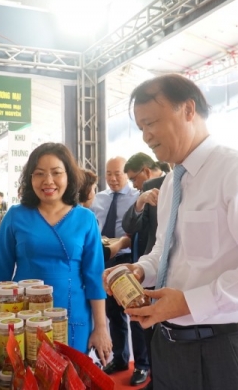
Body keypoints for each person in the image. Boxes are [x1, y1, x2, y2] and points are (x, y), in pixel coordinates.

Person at [104, 74, 238, 390]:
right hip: (168, 345)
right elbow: (164, 252)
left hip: (224, 349)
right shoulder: (169, 185)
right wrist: (140, 270)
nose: (146, 136)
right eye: (140, 128)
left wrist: (189, 302)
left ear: (188, 110)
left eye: (151, 122)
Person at [0, 143, 112, 363]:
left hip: (73, 316)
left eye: (56, 173)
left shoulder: (85, 218)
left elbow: (94, 277)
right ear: (30, 178)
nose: (48, 181)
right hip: (22, 318)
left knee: (71, 377)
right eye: (39, 174)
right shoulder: (16, 216)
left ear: (69, 176)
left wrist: (101, 327)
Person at [90, 157, 150, 386]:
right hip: (104, 259)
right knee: (113, 313)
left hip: (128, 260)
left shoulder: (137, 197)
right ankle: (121, 358)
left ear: (126, 174)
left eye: (118, 173)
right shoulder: (100, 198)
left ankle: (142, 364)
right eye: (109, 174)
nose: (113, 179)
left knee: (134, 312)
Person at [121, 153, 167, 390]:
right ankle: (153, 376)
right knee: (147, 326)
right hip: (150, 268)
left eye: (133, 179)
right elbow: (129, 226)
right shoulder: (149, 189)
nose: (133, 185)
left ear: (146, 170)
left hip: (182, 275)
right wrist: (140, 202)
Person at [79, 169, 132, 275]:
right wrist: (122, 243)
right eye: (94, 189)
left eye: (117, 173)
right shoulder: (86, 216)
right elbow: (100, 253)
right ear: (87, 191)